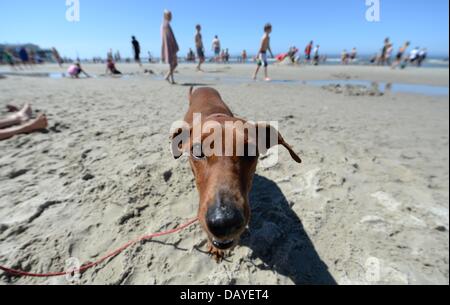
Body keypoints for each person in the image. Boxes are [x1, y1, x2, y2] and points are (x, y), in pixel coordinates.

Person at [161, 10, 179, 84]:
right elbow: (169, 37)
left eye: (171, 15)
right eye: (169, 15)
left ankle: (169, 78)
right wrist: (174, 46)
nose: (171, 17)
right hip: (170, 47)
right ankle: (169, 78)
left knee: (172, 64)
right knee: (174, 64)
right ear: (165, 16)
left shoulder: (163, 25)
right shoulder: (166, 25)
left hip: (168, 46)